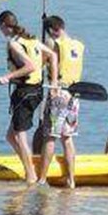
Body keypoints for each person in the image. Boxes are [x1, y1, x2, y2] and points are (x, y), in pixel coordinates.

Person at [0, 10, 59, 184]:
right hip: (37, 91)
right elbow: (53, 55)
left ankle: (30, 175)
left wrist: (6, 77)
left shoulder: (14, 44)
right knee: (10, 136)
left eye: (0, 27)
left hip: (25, 93)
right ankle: (28, 163)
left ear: (3, 26)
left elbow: (29, 66)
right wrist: (52, 81)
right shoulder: (31, 39)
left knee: (19, 136)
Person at [36, 15, 84, 188]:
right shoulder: (78, 45)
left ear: (52, 30)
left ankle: (41, 179)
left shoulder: (52, 43)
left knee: (50, 137)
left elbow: (39, 64)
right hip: (75, 95)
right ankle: (71, 179)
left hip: (58, 94)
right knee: (67, 138)